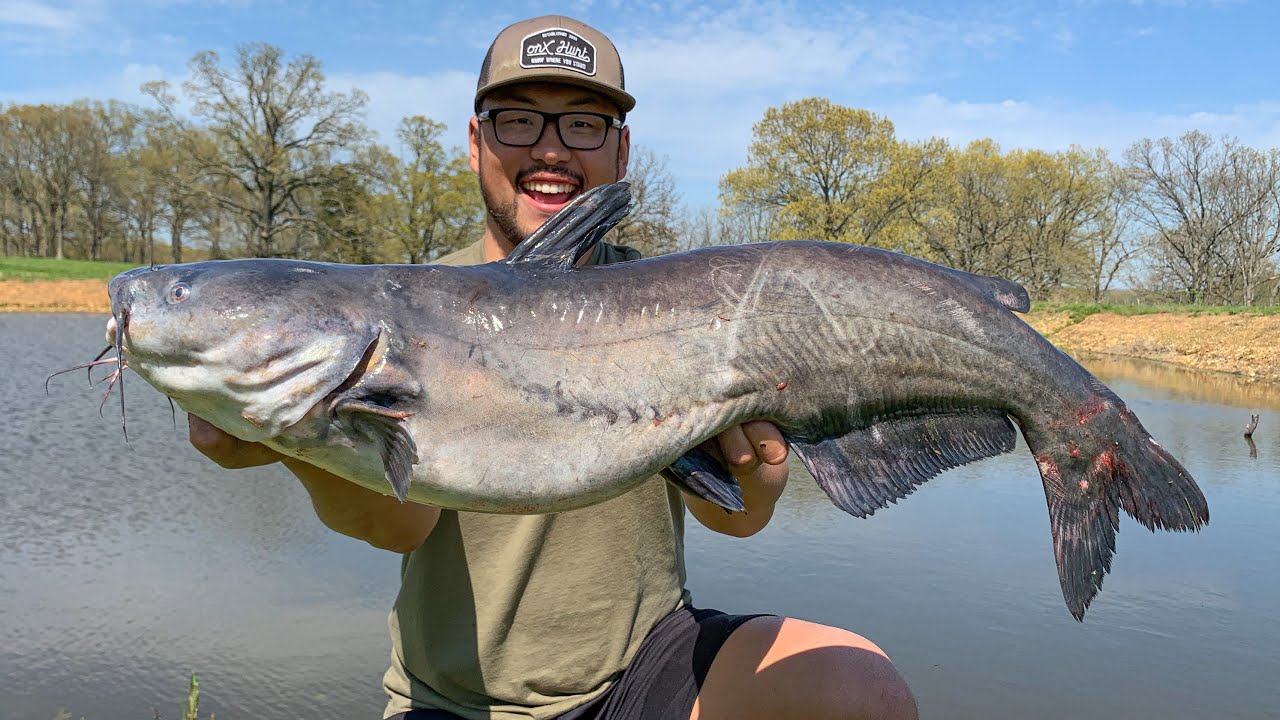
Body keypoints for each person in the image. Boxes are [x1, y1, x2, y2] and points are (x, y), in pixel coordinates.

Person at [188, 15, 918, 720]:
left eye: (583, 124)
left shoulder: (687, 305)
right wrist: (298, 434)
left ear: (621, 151)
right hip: (457, 701)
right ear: (475, 141)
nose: (550, 149)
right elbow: (398, 526)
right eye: (518, 121)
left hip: (645, 665)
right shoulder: (401, 309)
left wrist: (755, 462)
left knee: (860, 690)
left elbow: (738, 519)